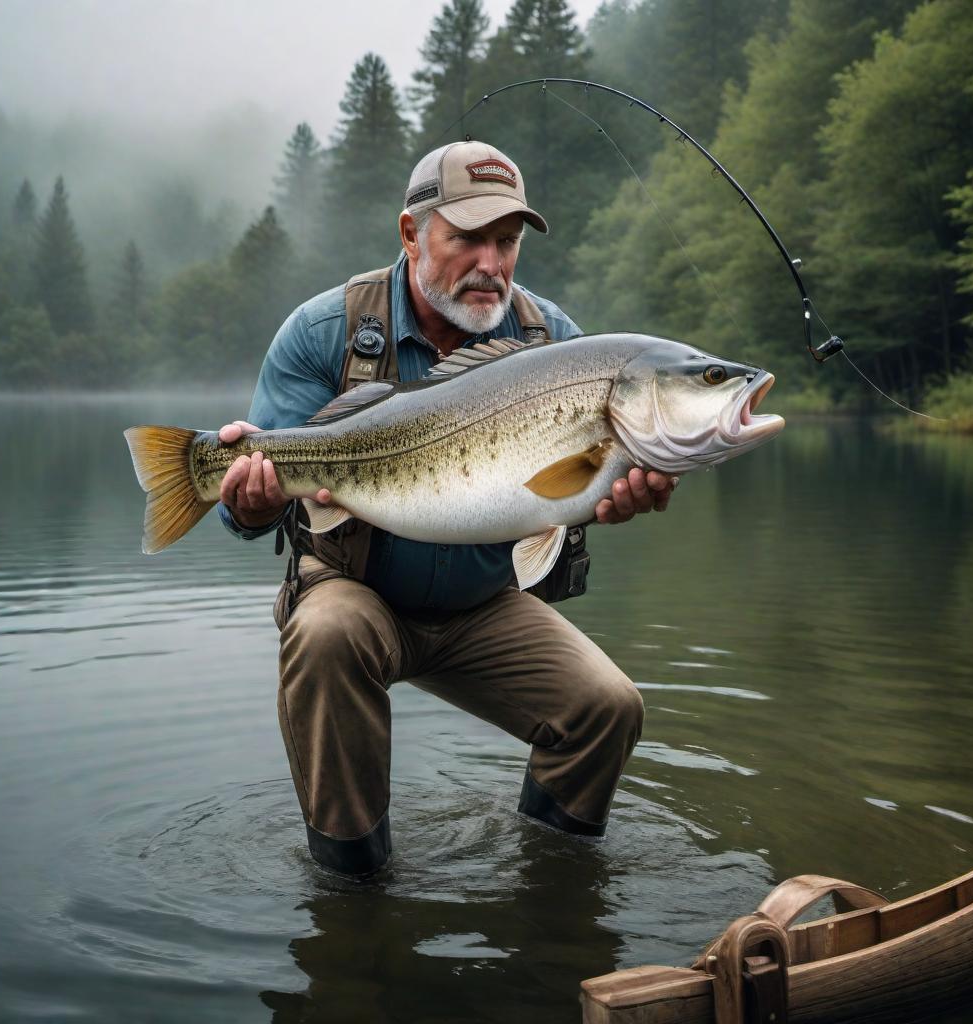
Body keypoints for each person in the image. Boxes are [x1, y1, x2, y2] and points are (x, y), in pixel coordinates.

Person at [216, 141, 676, 877]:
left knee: (608, 707)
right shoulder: (321, 333)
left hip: (482, 603)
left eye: (507, 241)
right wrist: (248, 502)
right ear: (411, 233)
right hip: (356, 591)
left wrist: (605, 505)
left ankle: (550, 877)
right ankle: (352, 883)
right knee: (328, 633)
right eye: (467, 237)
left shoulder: (555, 343)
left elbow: (567, 495)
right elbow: (247, 514)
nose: (491, 263)